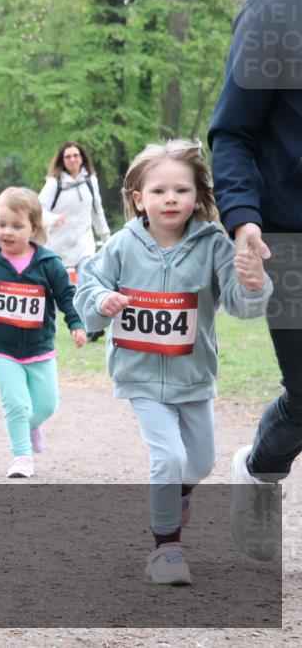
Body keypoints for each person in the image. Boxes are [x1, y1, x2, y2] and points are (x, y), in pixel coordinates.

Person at [75, 139, 272, 585]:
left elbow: (240, 304)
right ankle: (166, 549)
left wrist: (254, 283)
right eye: (159, 191)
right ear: (138, 198)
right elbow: (88, 287)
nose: (170, 199)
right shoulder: (122, 245)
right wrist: (102, 300)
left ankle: (176, 495)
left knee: (199, 464)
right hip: (139, 374)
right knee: (167, 458)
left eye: (181, 190)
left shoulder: (213, 244)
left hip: (193, 375)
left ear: (198, 196)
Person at [208, 0, 302, 562]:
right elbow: (233, 132)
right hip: (288, 237)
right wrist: (243, 217)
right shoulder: (275, 10)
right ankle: (261, 469)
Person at [0, 188, 86, 478]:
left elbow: (66, 296)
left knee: (47, 405)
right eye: (1, 224)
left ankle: (31, 426)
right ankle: (22, 456)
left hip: (40, 347)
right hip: (2, 349)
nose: (7, 232)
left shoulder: (49, 264)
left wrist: (76, 324)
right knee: (15, 404)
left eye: (16, 226)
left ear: (34, 228)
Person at [38, 142, 111, 339]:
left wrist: (106, 237)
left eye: (76, 155)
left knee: (87, 280)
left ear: (82, 158)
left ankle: (91, 326)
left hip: (83, 240)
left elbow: (97, 211)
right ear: (62, 161)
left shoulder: (90, 181)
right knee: (54, 285)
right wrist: (53, 219)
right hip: (58, 243)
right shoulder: (54, 184)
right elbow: (38, 210)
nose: (72, 159)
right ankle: (46, 327)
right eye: (68, 156)